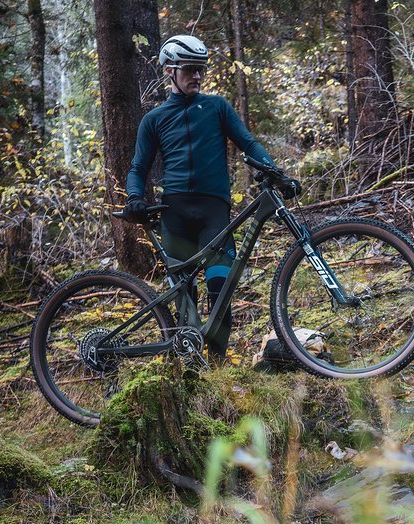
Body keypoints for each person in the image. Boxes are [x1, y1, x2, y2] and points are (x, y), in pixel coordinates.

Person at [123, 34, 292, 361]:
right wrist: (134, 197)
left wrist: (275, 171)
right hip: (175, 216)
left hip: (214, 212)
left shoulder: (217, 107)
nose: (197, 76)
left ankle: (218, 373)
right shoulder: (154, 119)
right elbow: (138, 167)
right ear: (170, 71)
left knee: (221, 291)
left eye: (201, 69)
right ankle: (190, 370)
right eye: (189, 69)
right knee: (185, 297)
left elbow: (249, 143)